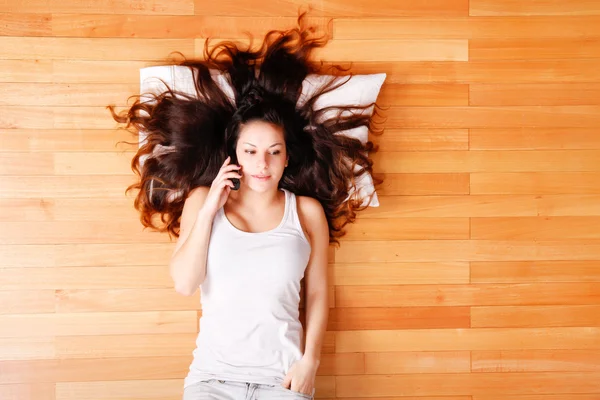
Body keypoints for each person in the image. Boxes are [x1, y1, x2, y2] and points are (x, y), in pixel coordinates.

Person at [109, 11, 382, 400]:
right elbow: (185, 284)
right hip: (212, 380)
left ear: (287, 158)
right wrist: (208, 212)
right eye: (251, 151)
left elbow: (319, 293)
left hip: (283, 379)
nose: (262, 163)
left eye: (274, 152)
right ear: (234, 153)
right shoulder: (202, 201)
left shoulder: (305, 212)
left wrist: (310, 363)